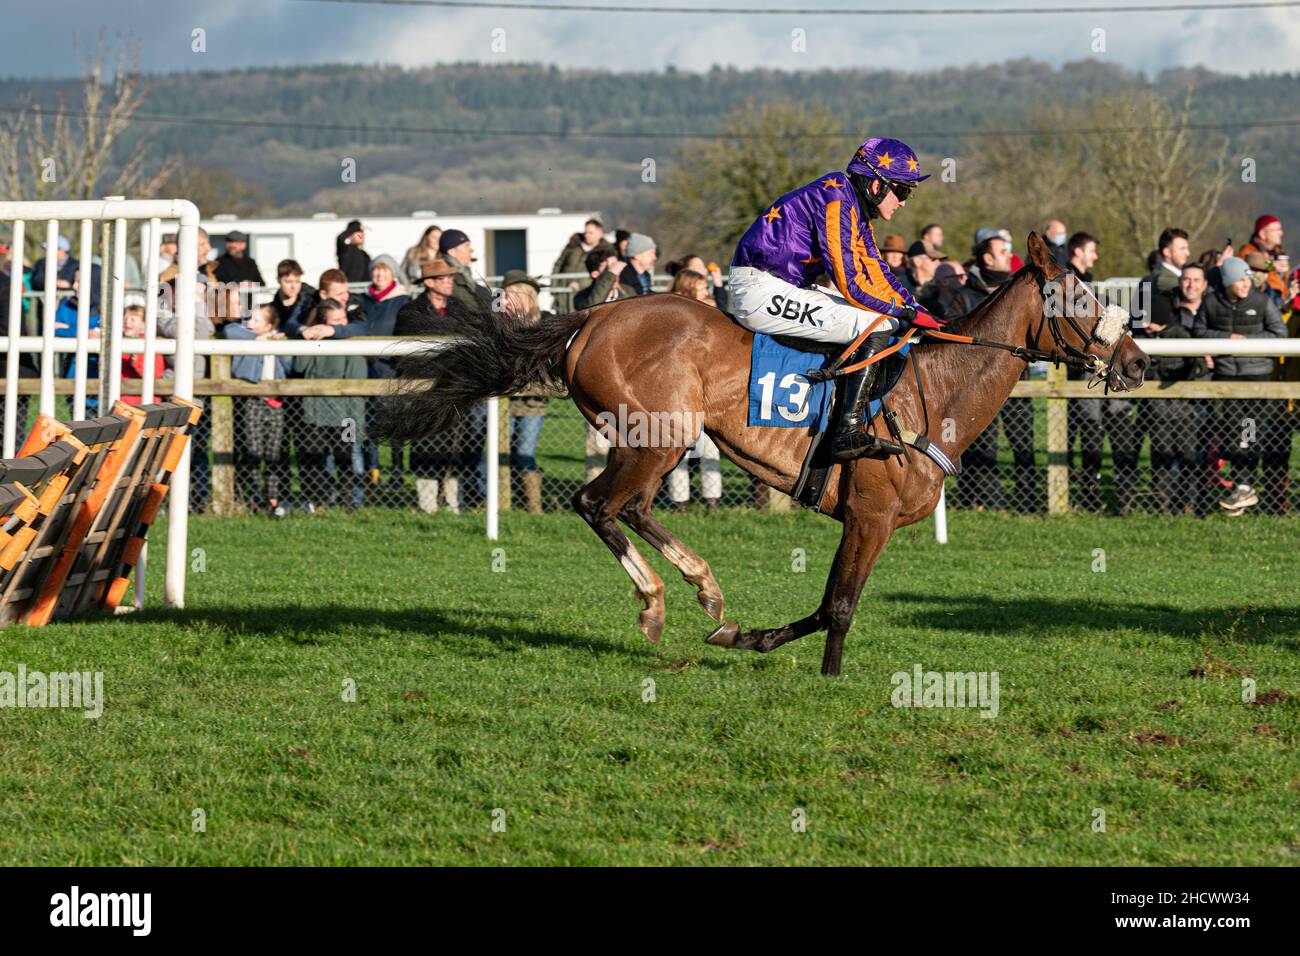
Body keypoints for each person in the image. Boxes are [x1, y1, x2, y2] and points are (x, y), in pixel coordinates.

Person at [729, 136, 940, 461]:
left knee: (889, 318)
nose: (904, 201)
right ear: (875, 185)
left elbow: (877, 271)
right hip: (758, 289)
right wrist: (901, 310)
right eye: (902, 190)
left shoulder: (853, 207)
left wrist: (915, 307)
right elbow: (852, 284)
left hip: (782, 285)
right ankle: (847, 430)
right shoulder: (837, 202)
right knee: (878, 324)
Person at [1193, 255, 1289, 513]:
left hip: (1256, 379)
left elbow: (1280, 333)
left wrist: (1247, 341)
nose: (1246, 284)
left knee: (1249, 435)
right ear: (1228, 282)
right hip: (1226, 379)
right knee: (1232, 435)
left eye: (1248, 279)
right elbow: (1199, 332)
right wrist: (1227, 338)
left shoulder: (1262, 301)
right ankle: (1243, 490)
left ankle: (1244, 487)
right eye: (1241, 279)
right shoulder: (1211, 303)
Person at [952, 230, 1036, 511]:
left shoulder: (1017, 291)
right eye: (1003, 251)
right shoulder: (964, 295)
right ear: (987, 258)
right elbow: (954, 336)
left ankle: (1027, 503)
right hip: (978, 387)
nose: (1010, 256)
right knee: (981, 444)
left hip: (1017, 382)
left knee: (1024, 444)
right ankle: (987, 504)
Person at [293, 300, 369, 511]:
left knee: (346, 460)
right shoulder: (316, 341)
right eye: (335, 320)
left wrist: (356, 424)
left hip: (345, 417)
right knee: (313, 460)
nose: (341, 324)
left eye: (343, 319)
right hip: (314, 413)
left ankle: (349, 501)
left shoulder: (351, 344)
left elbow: (357, 386)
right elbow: (300, 366)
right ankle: (318, 500)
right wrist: (305, 339)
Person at [223, 304, 291, 516]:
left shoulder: (277, 340)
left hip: (275, 403)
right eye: (249, 320)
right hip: (253, 400)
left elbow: (287, 367)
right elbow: (229, 330)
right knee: (253, 450)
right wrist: (256, 339)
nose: (250, 324)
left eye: (256, 321)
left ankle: (272, 497)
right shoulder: (243, 337)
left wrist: (279, 345)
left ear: (269, 325)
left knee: (273, 452)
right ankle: (252, 496)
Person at [665, 271, 723, 513]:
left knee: (711, 448)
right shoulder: (674, 314)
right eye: (700, 287)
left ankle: (712, 501)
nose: (706, 291)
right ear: (688, 289)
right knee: (680, 448)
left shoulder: (710, 311)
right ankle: (681, 503)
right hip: (679, 392)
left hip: (708, 392)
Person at [499, 270, 553, 515]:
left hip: (533, 400)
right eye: (505, 294)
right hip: (503, 399)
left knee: (524, 451)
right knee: (502, 449)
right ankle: (503, 502)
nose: (508, 299)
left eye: (513, 294)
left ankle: (534, 505)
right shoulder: (499, 324)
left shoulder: (545, 322)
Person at [360, 255, 412, 485]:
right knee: (366, 424)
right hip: (364, 368)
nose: (379, 275)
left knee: (393, 424)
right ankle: (372, 470)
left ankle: (398, 471)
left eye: (384, 271)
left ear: (392, 273)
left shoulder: (402, 300)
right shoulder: (362, 300)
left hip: (389, 369)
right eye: (375, 270)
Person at [437, 229, 492, 310]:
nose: (471, 250)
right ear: (452, 252)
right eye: (467, 245)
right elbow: (470, 307)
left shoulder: (461, 274)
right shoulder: (446, 277)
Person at [1239, 215, 1288, 301]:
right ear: (1262, 234)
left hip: (1281, 303)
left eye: (1280, 229)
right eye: (1275, 230)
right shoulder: (1248, 250)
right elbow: (1250, 264)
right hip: (1260, 301)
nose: (1280, 233)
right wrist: (1272, 265)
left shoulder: (1279, 254)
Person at [551, 218, 606, 290]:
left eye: (591, 233)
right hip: (563, 293)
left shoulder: (605, 252)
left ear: (600, 233)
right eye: (585, 232)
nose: (586, 235)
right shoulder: (572, 246)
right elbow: (558, 264)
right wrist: (554, 287)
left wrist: (580, 286)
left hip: (586, 295)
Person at [573, 245, 632, 310]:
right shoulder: (582, 297)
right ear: (595, 274)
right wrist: (610, 274)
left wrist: (623, 292)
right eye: (609, 268)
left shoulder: (628, 290)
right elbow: (592, 309)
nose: (616, 270)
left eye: (615, 265)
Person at [271, 259, 315, 330]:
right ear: (278, 280)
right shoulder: (273, 308)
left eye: (297, 281)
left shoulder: (312, 300)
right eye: (288, 282)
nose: (293, 287)